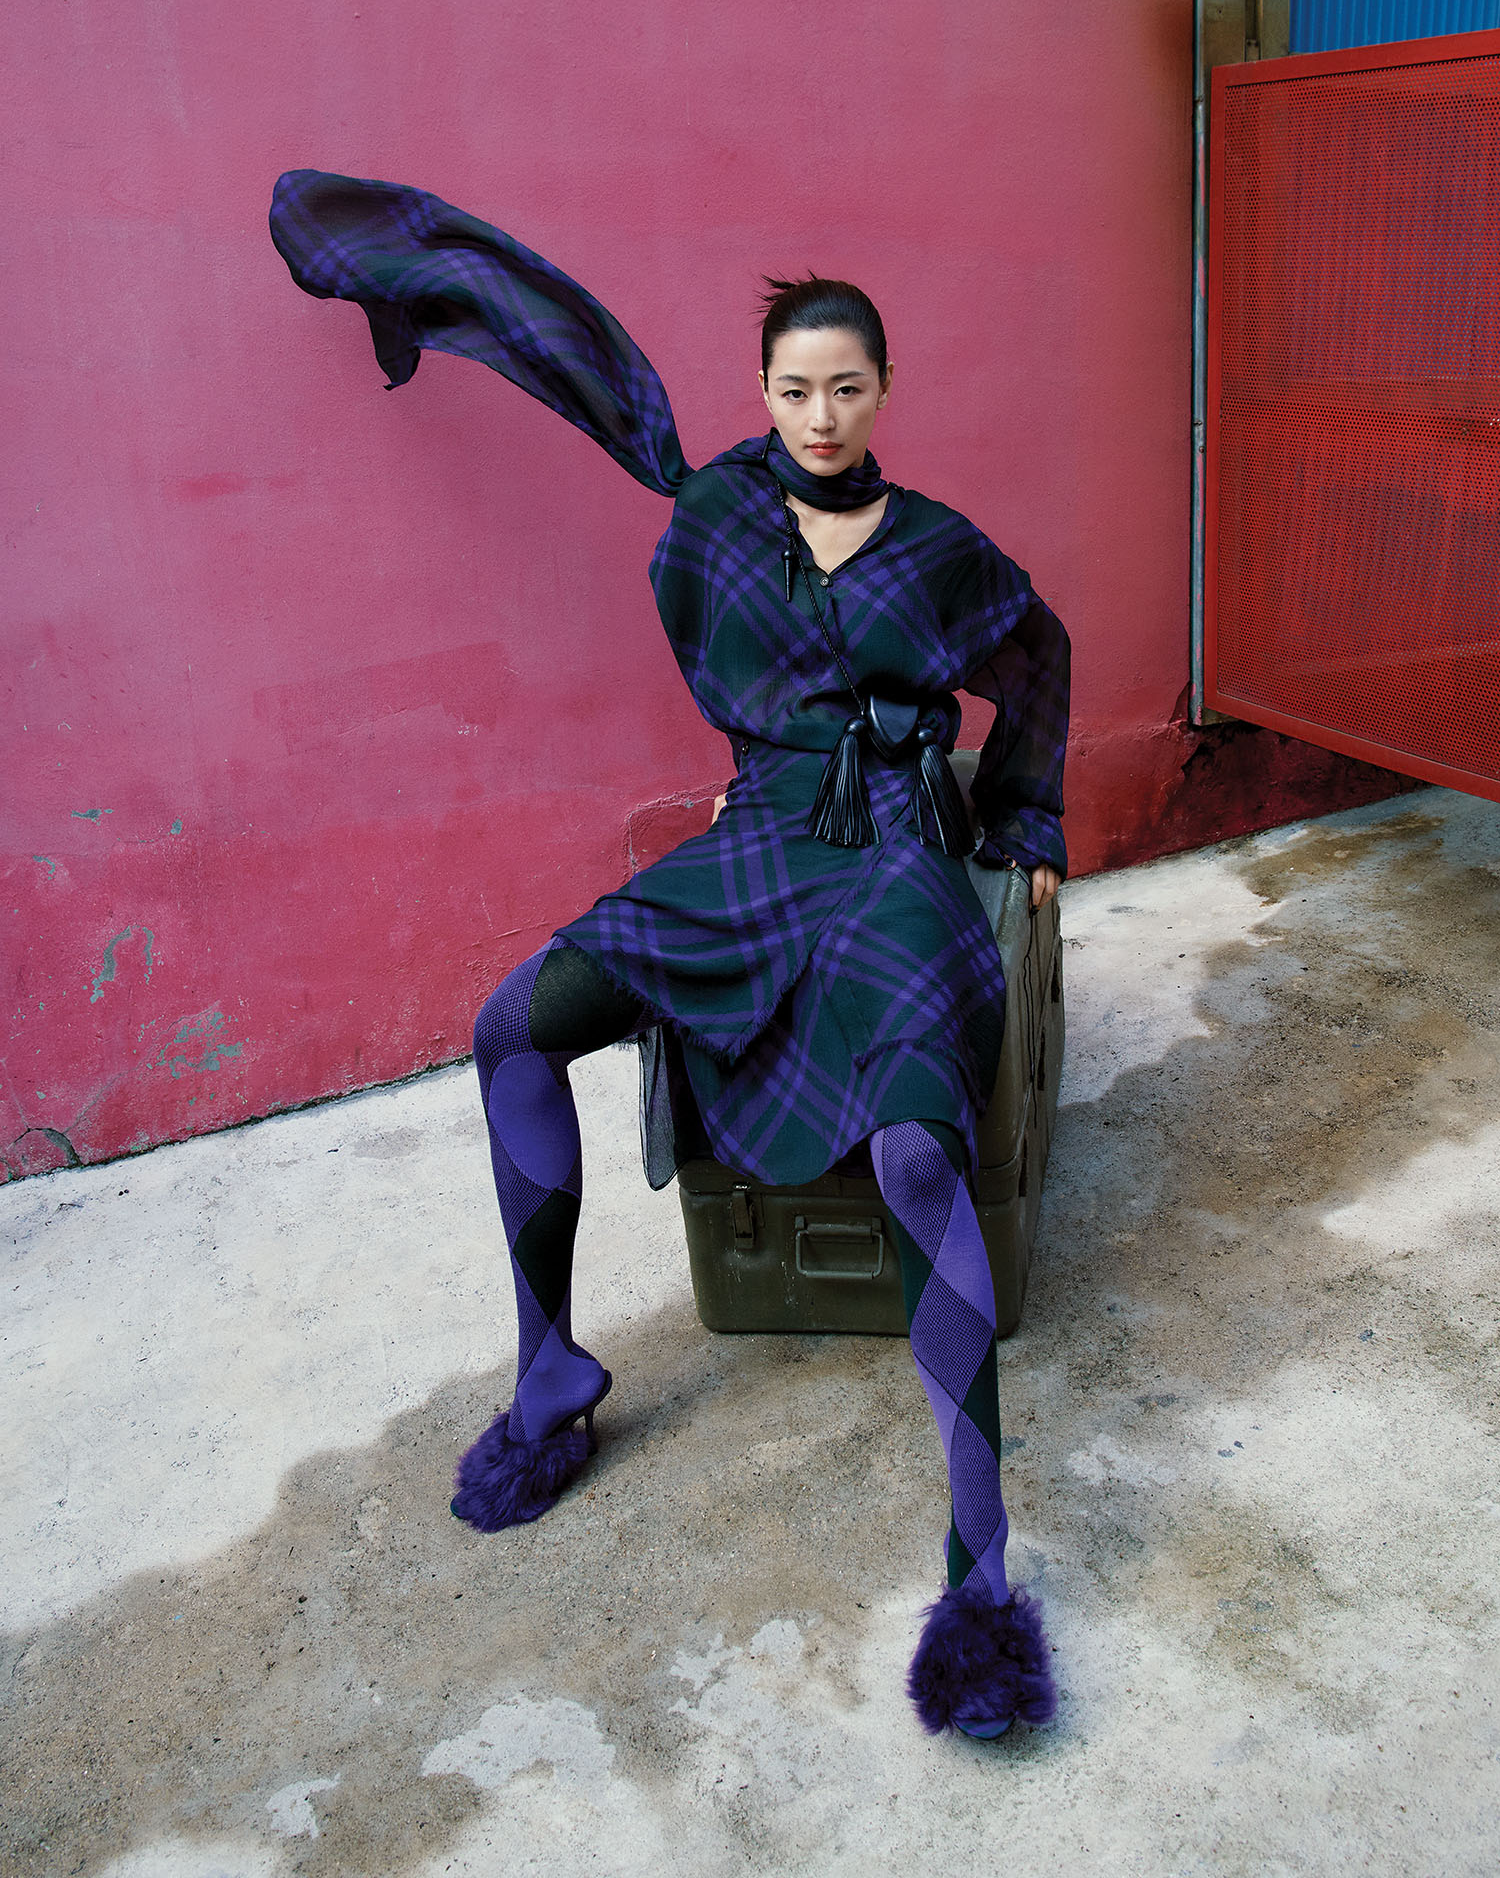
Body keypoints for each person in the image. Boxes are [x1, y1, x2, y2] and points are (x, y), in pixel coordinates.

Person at [269, 171, 1069, 1740]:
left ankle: (979, 1577)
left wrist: (1025, 817)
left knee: (918, 1152)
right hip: (761, 843)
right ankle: (550, 1377)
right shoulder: (717, 514)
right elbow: (616, 433)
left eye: (847, 387)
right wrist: (763, 760)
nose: (821, 415)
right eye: (795, 388)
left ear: (886, 389)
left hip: (898, 853)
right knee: (513, 1026)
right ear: (761, 390)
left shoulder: (941, 547)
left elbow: (1037, 650)